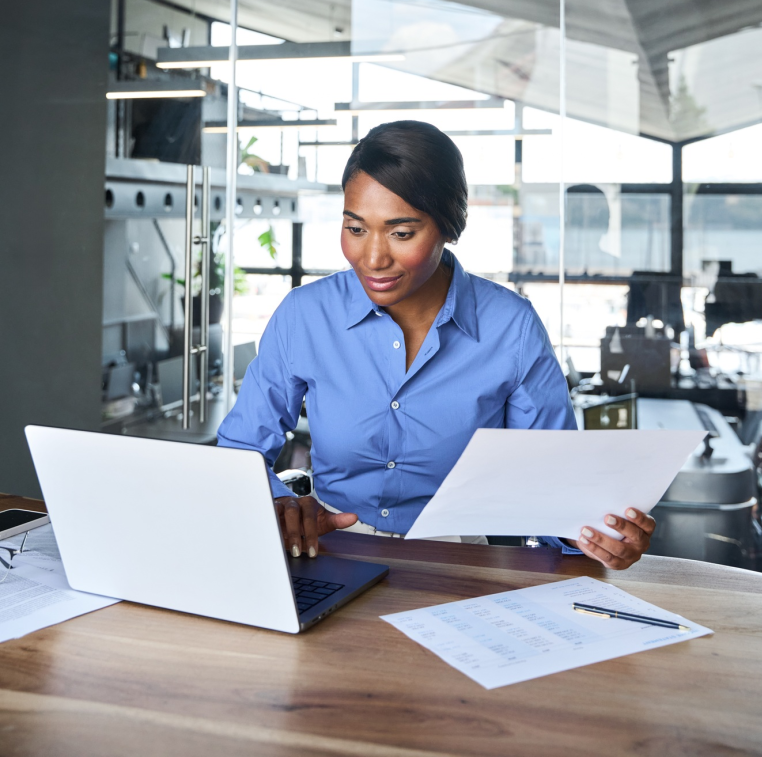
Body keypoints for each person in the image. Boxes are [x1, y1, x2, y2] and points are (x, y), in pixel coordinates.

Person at [218, 121, 655, 570]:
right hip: (332, 554)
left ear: (449, 226)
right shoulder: (304, 315)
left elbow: (551, 482)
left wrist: (594, 534)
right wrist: (282, 505)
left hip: (463, 565)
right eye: (355, 228)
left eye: (401, 233)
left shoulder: (511, 327)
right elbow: (240, 450)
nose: (372, 258)